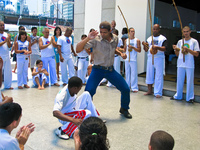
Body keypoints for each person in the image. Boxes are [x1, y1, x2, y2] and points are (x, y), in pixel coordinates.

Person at [76, 21, 132, 119]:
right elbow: (77, 49)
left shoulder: (115, 38)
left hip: (110, 70)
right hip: (97, 70)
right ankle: (87, 112)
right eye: (101, 32)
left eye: (104, 32)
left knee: (126, 89)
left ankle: (124, 109)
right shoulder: (95, 40)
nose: (102, 34)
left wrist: (120, 53)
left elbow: (112, 49)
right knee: (88, 92)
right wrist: (88, 38)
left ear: (110, 31)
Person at [171, 26, 199, 103]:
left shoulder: (194, 41)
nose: (186, 33)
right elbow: (177, 54)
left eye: (187, 31)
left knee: (190, 80)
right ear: (182, 32)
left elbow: (196, 54)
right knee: (179, 80)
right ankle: (178, 96)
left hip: (189, 64)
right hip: (180, 63)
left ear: (190, 32)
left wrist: (188, 50)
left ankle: (190, 97)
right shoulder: (180, 41)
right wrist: (175, 49)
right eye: (184, 32)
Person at [142, 24, 167, 98]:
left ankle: (158, 92)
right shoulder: (149, 38)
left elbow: (165, 48)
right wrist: (144, 45)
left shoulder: (163, 38)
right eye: (153, 29)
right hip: (150, 57)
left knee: (159, 75)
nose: (155, 30)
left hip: (159, 58)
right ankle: (149, 90)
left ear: (159, 29)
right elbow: (146, 49)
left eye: (156, 29)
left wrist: (157, 47)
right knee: (149, 74)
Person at [124, 27, 141, 92]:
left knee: (134, 73)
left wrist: (133, 47)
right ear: (129, 33)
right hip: (127, 59)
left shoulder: (137, 40)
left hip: (133, 59)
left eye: (134, 31)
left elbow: (139, 50)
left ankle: (134, 87)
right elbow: (124, 50)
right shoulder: (126, 40)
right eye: (131, 31)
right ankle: (127, 86)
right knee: (127, 73)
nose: (133, 33)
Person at [0, 21, 13, 89]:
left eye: (3, 25)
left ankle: (8, 86)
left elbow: (9, 46)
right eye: (1, 25)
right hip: (0, 56)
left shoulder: (6, 34)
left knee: (8, 71)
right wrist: (5, 41)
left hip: (6, 55)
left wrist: (8, 40)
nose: (2, 26)